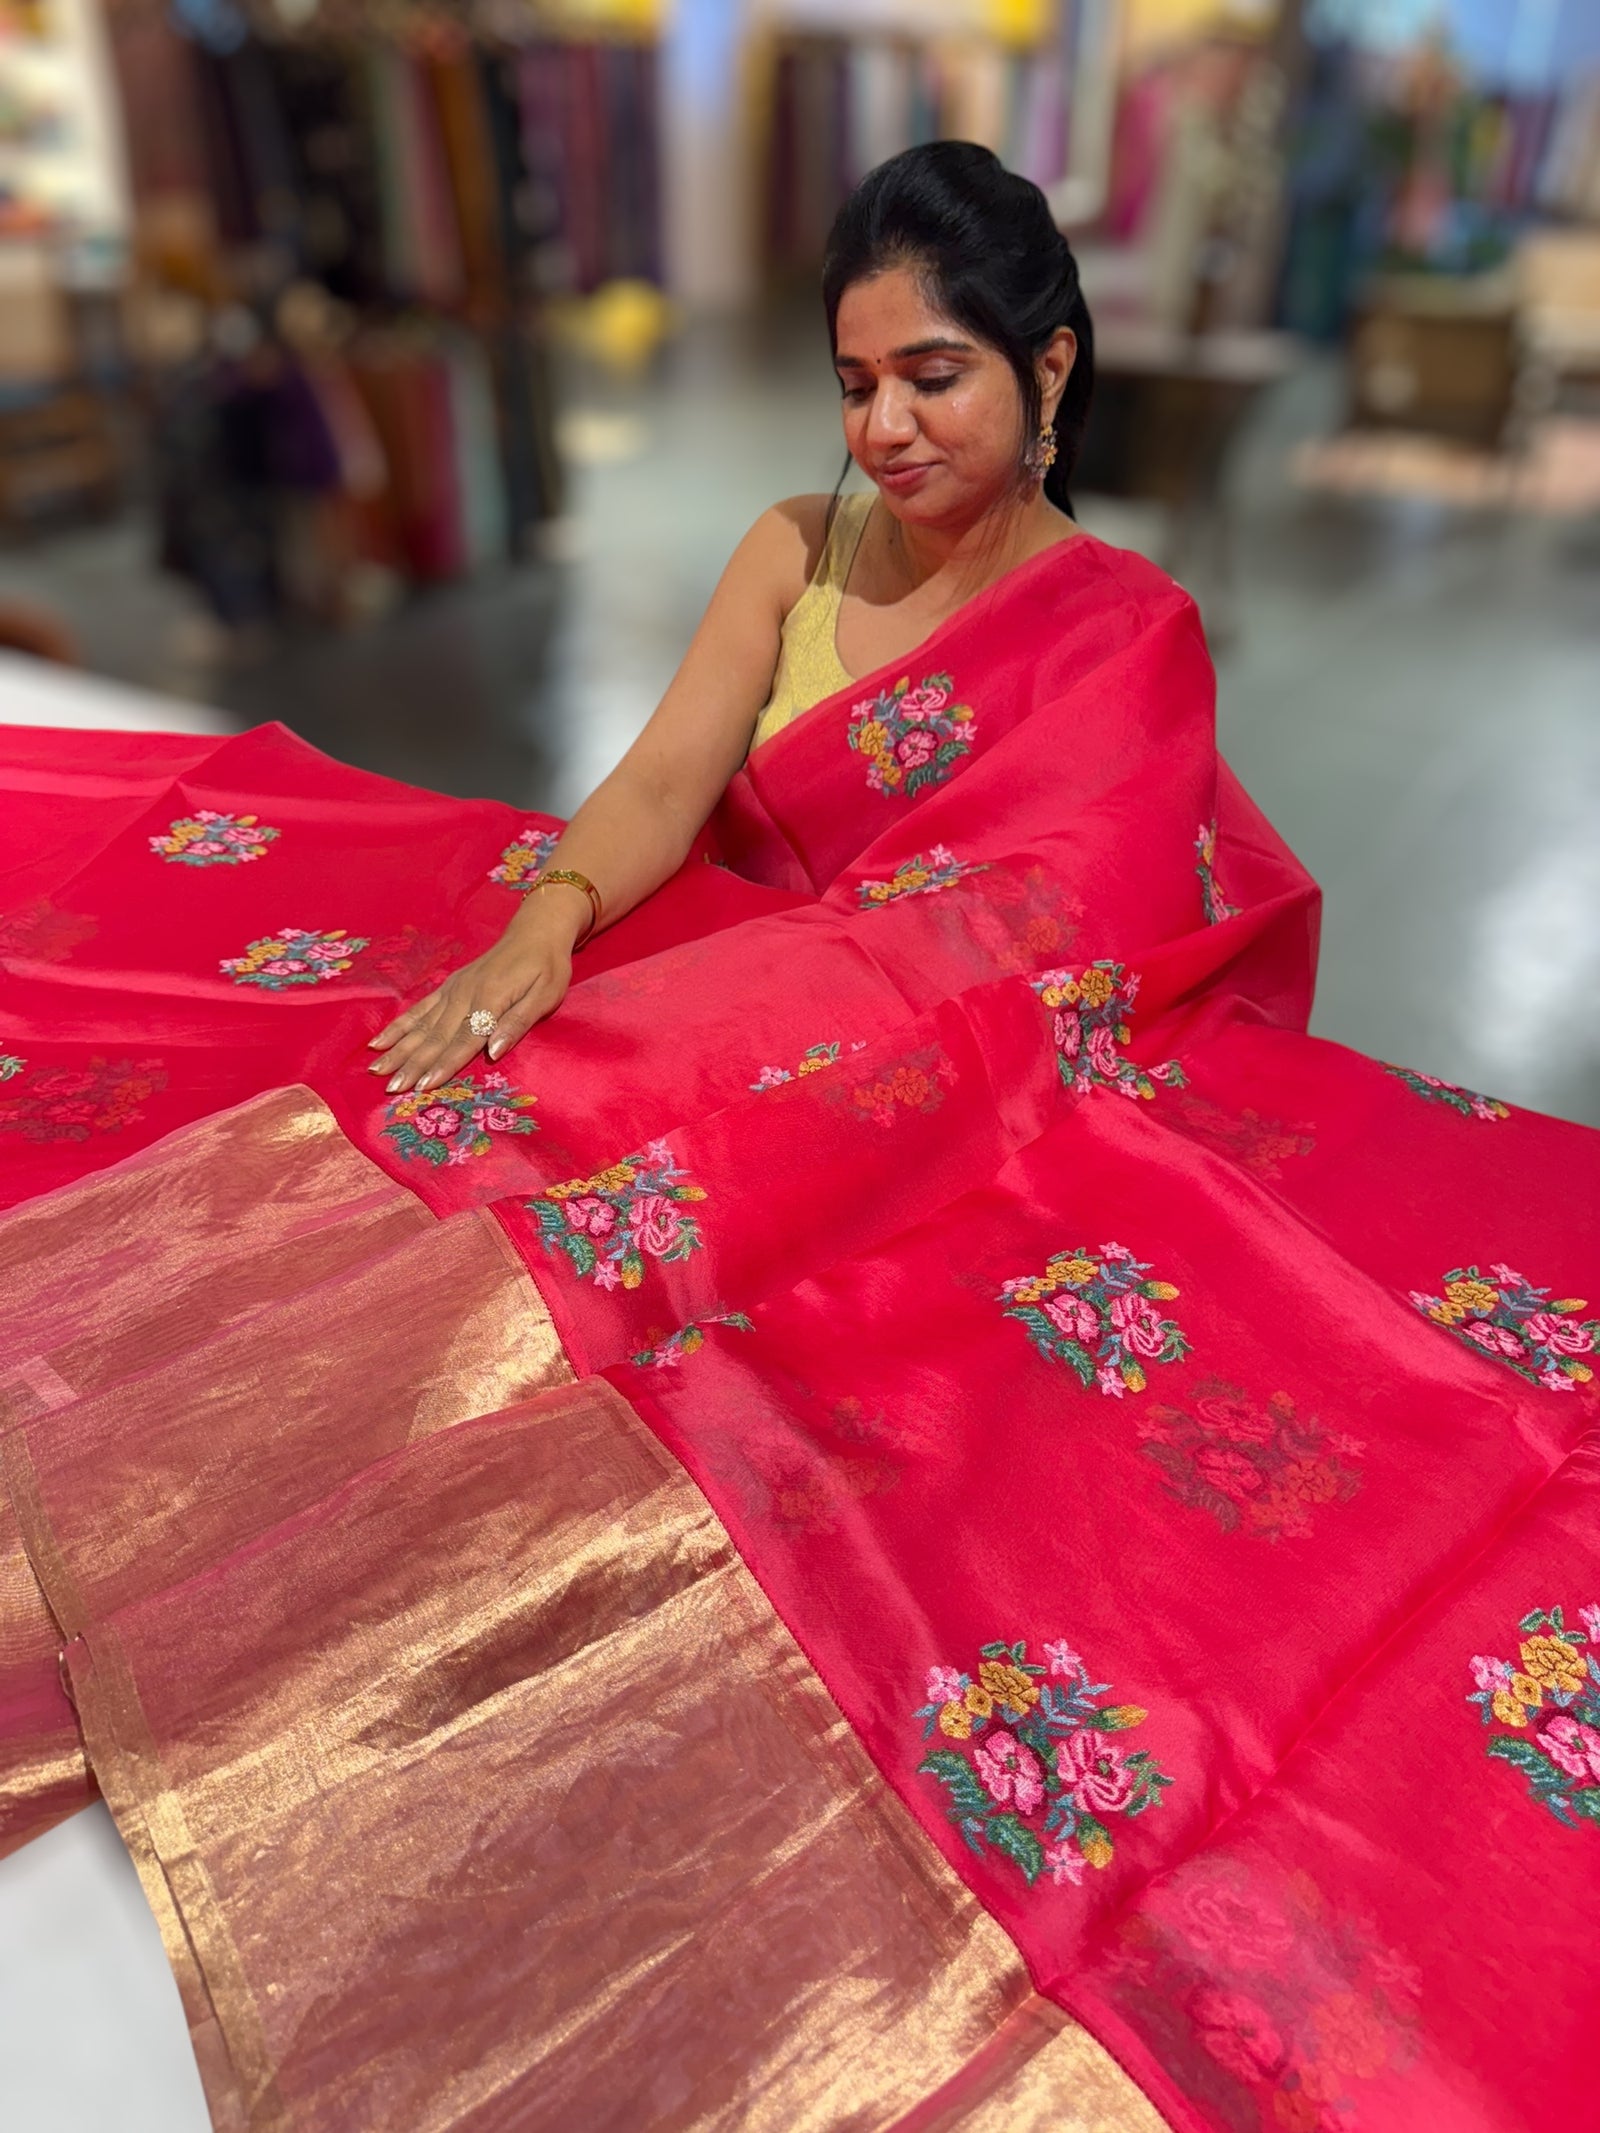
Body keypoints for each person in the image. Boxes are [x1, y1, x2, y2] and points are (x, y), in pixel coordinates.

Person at [0, 144, 1595, 2133]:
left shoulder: (1122, 629)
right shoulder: (792, 544)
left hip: (931, 1066)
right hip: (700, 990)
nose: (884, 426)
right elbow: (666, 777)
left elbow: (1049, 952)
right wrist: (546, 925)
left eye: (931, 374)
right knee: (377, 1081)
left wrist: (803, 1030)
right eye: (852, 383)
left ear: (1050, 365)